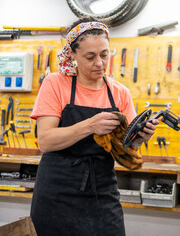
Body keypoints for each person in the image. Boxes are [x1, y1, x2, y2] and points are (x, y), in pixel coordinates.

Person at [30, 17, 158, 236]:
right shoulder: (55, 83)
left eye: (104, 54)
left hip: (102, 189)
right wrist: (89, 125)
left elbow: (126, 151)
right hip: (57, 190)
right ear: (72, 54)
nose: (99, 63)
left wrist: (138, 138)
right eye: (90, 57)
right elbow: (46, 141)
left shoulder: (119, 92)